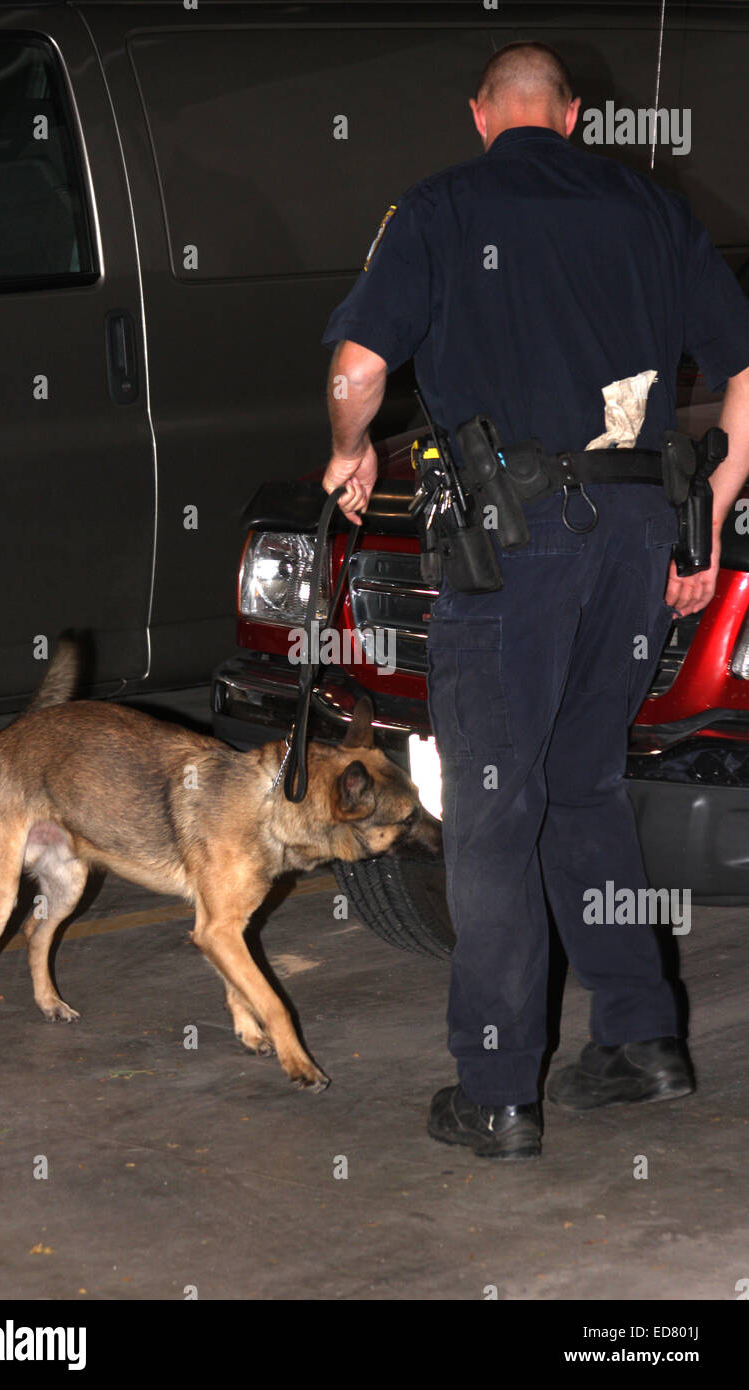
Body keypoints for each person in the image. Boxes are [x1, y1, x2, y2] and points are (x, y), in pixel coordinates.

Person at [320, 41, 749, 1160]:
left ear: (480, 117)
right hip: (634, 536)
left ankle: (501, 1090)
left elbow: (358, 367)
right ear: (568, 118)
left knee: (498, 808)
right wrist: (712, 495)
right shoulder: (650, 210)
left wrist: (348, 449)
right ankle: (640, 1039)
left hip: (513, 548)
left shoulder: (440, 206)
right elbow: (746, 368)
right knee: (583, 784)